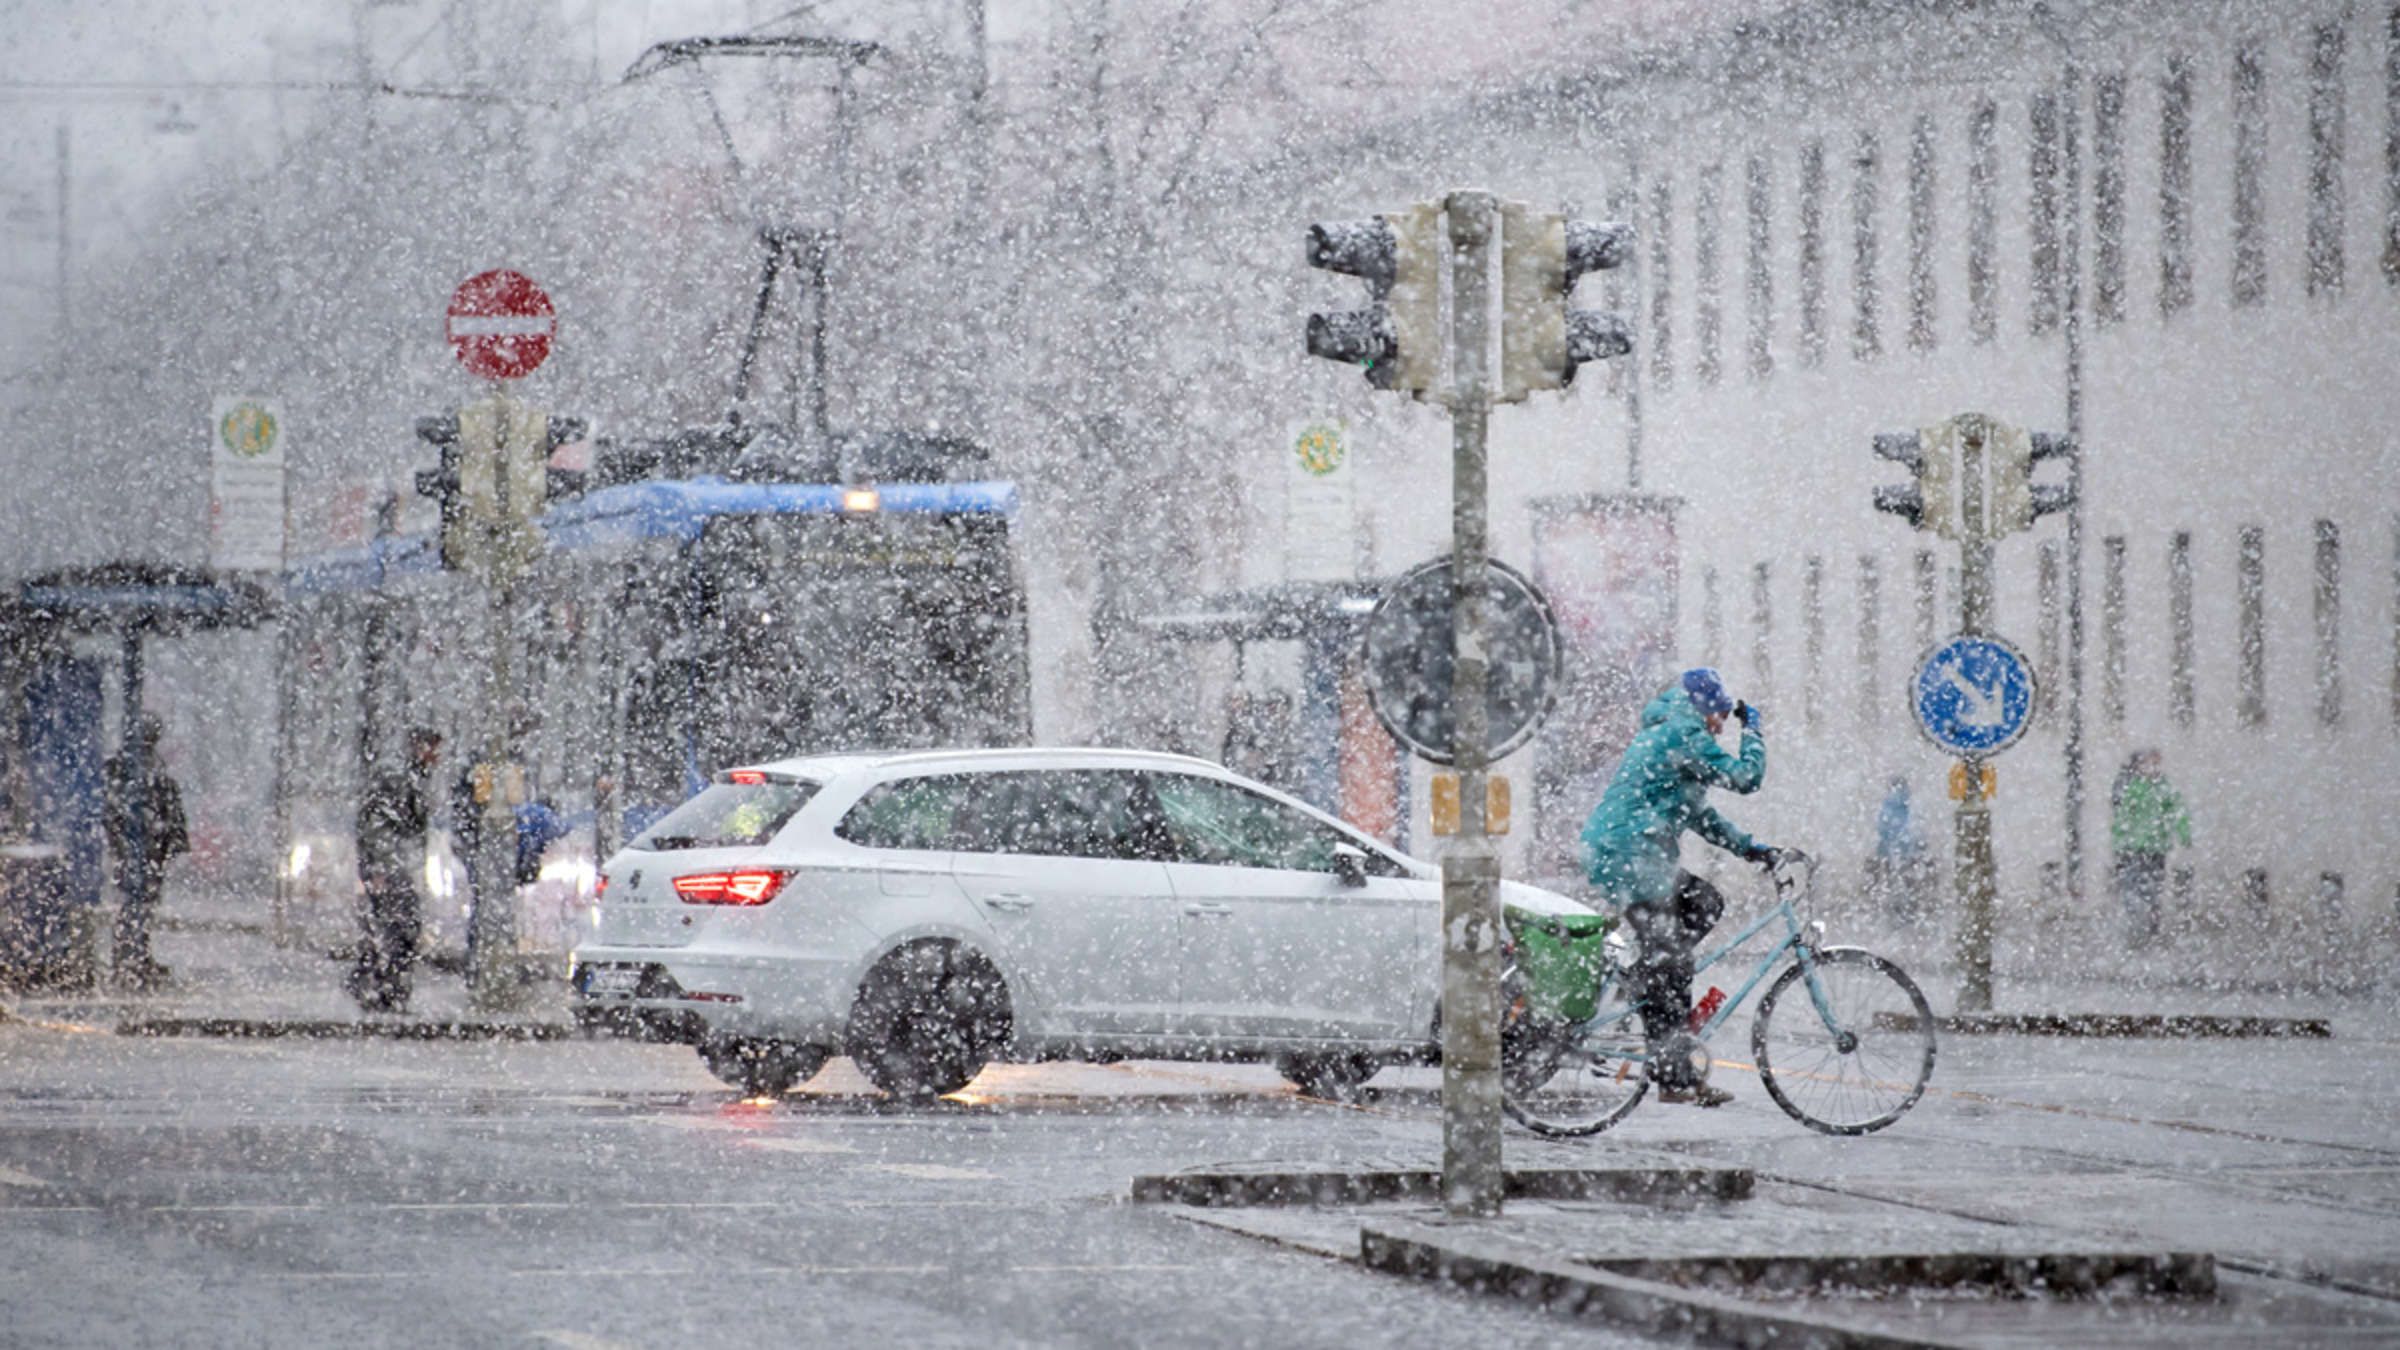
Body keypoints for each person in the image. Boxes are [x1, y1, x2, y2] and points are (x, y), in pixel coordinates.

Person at [1580, 668, 1781, 1108]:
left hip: (1635, 855)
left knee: (1703, 907)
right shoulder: (1681, 734)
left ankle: (1651, 986)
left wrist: (1752, 849)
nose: (1721, 726)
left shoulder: (1675, 737)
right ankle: (1674, 1075)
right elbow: (1747, 778)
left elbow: (1701, 817)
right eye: (1721, 716)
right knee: (1671, 963)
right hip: (1628, 856)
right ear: (1705, 708)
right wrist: (1754, 730)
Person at [350, 728, 441, 1012]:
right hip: (390, 868)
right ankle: (380, 985)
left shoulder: (412, 776)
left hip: (395, 865)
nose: (436, 757)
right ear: (418, 746)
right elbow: (377, 825)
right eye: (432, 748)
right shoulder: (398, 777)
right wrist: (383, 868)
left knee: (396, 927)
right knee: (399, 927)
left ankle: (385, 987)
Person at [103, 716, 188, 990]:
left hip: (143, 851)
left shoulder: (135, 769)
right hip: (139, 852)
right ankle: (130, 958)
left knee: (138, 906)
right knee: (135, 905)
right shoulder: (135, 770)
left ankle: (133, 956)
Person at [2110, 749, 2191, 949]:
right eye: (2147, 764)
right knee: (2133, 888)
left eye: (2155, 764)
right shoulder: (2133, 788)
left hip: (2155, 847)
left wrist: (2184, 833)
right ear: (2138, 767)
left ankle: (2152, 927)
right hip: (2132, 848)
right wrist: (2119, 842)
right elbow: (2122, 816)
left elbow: (2177, 810)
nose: (2152, 768)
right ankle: (2136, 927)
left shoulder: (2164, 788)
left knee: (2153, 889)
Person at [1867, 775, 1933, 924]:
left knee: (1894, 881)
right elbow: (1917, 827)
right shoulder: (1910, 804)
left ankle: (1897, 909)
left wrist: (1887, 845)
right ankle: (1909, 909)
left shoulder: (1888, 804)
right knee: (1909, 882)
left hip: (1890, 851)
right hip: (1909, 852)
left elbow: (1882, 827)